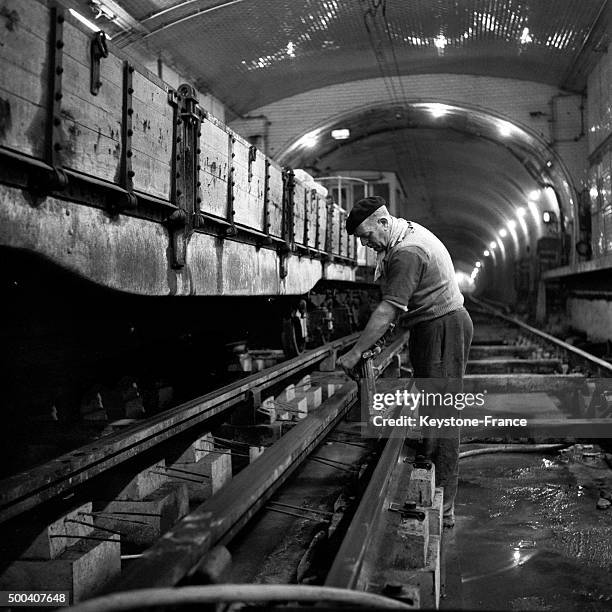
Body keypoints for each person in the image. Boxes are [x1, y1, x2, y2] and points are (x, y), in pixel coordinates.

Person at [336, 196, 473, 528]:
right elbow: (401, 306)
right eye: (362, 241)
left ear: (383, 223)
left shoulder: (407, 252)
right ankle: (433, 469)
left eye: (368, 236)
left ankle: (443, 501)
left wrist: (355, 352)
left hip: (442, 327)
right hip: (434, 325)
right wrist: (375, 341)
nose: (367, 244)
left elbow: (389, 309)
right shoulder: (402, 236)